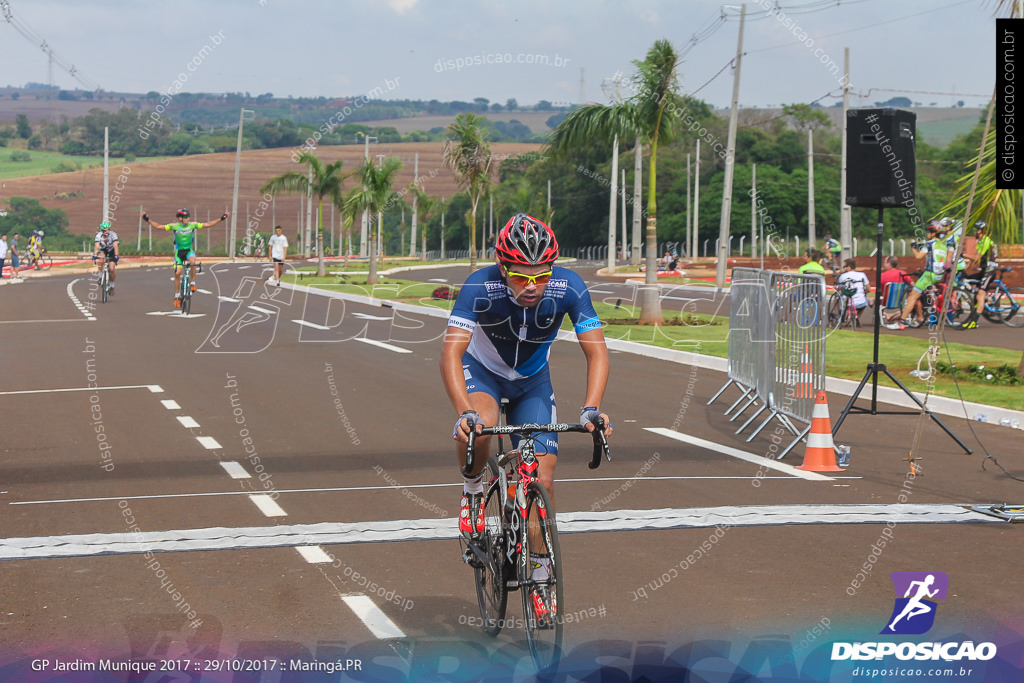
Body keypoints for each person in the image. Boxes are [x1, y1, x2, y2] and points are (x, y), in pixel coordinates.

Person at [441, 212, 612, 621]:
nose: (532, 286)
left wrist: (591, 408)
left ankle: (538, 574)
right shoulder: (480, 286)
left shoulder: (568, 286)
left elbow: (597, 350)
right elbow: (451, 352)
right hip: (483, 374)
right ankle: (471, 493)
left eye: (541, 275)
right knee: (477, 430)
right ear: (503, 268)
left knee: (542, 481)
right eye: (521, 276)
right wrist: (464, 411)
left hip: (532, 383)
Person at [142, 208, 229, 308]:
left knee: (193, 262)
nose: (188, 218)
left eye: (188, 217)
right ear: (180, 218)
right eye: (186, 217)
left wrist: (221, 218)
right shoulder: (174, 226)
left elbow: (207, 224)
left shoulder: (192, 225)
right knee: (178, 273)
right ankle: (177, 296)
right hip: (179, 253)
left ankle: (192, 282)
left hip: (188, 251)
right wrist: (147, 219)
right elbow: (158, 226)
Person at [886, 221, 949, 329]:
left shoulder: (929, 244)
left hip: (929, 275)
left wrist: (914, 249)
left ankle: (901, 322)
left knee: (912, 297)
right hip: (940, 275)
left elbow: (919, 257)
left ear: (933, 233)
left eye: (929, 232)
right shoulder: (943, 245)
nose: (927, 234)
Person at [963, 221, 998, 329]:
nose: (974, 232)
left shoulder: (985, 241)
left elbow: (976, 258)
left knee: (980, 294)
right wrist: (964, 268)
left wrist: (962, 254)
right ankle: (980, 303)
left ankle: (974, 322)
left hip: (989, 270)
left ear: (980, 231)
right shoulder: (981, 241)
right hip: (984, 270)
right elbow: (974, 259)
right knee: (967, 280)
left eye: (975, 230)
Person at [879, 256, 921, 326]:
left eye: (885, 263)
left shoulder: (882, 276)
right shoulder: (903, 273)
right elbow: (913, 285)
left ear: (889, 264)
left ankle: (887, 315)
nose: (884, 265)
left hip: (885, 302)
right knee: (910, 304)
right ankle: (892, 316)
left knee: (875, 301)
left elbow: (879, 290)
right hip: (900, 301)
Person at [836, 258, 871, 325]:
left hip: (847, 302)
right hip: (861, 303)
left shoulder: (842, 276)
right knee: (865, 298)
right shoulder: (862, 275)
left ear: (848, 267)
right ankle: (857, 317)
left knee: (837, 298)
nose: (844, 268)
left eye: (844, 267)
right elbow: (869, 289)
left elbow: (840, 290)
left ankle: (840, 315)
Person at [93, 222, 120, 293]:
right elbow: (96, 245)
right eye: (105, 230)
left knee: (111, 269)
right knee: (101, 259)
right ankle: (100, 276)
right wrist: (95, 255)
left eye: (108, 230)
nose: (107, 232)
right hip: (103, 250)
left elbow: (115, 245)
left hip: (112, 250)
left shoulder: (113, 234)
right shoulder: (99, 235)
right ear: (101, 231)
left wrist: (116, 255)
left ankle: (112, 285)